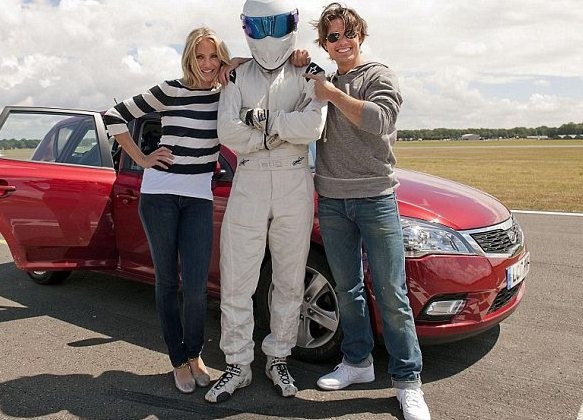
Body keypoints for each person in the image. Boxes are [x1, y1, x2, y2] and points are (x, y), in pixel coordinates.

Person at [304, 3, 431, 420]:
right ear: (324, 44)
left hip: (376, 197)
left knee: (392, 294)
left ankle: (408, 382)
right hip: (332, 200)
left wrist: (332, 94)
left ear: (360, 36)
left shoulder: (378, 76)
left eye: (348, 34)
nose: (342, 42)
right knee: (348, 288)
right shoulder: (320, 80)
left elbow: (379, 119)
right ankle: (357, 362)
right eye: (333, 37)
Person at [204, 0, 327, 403]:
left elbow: (313, 124)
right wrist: (276, 134)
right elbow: (227, 131)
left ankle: (278, 357)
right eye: (259, 26)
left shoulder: (308, 71)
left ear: (292, 24)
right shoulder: (235, 74)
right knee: (237, 277)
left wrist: (261, 122)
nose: (269, 35)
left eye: (277, 24)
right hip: (251, 178)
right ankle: (237, 363)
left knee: (289, 278)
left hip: (293, 180)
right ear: (246, 28)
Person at [103, 27, 231, 394]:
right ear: (189, 57)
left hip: (198, 198)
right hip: (159, 195)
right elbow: (115, 116)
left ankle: (195, 354)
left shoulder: (226, 95)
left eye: (214, 56)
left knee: (196, 286)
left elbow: (251, 71)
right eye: (199, 56)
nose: (207, 64)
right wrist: (142, 158)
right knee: (168, 281)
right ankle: (178, 359)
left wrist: (234, 64)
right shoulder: (171, 90)